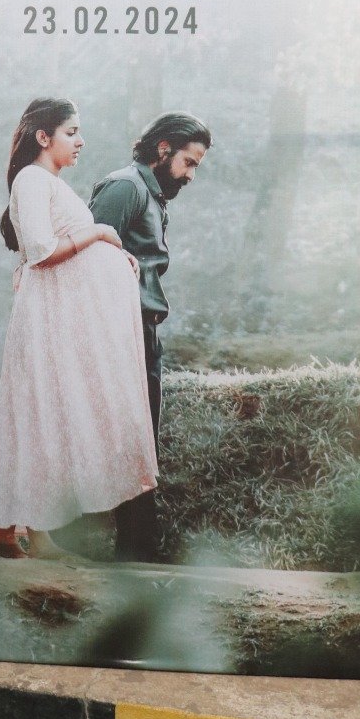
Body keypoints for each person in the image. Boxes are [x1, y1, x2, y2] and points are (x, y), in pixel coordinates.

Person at [0, 98, 157, 559]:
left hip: (58, 321)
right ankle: (9, 529)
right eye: (71, 131)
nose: (81, 141)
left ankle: (28, 530)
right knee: (38, 414)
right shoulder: (31, 179)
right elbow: (43, 250)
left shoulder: (49, 183)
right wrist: (100, 233)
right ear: (43, 137)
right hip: (47, 323)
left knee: (46, 416)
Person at [89, 112, 211, 562]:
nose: (191, 175)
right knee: (124, 438)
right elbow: (85, 261)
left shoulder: (153, 193)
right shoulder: (125, 188)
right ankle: (133, 552)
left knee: (141, 441)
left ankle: (137, 550)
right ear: (163, 149)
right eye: (188, 162)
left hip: (141, 330)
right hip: (118, 330)